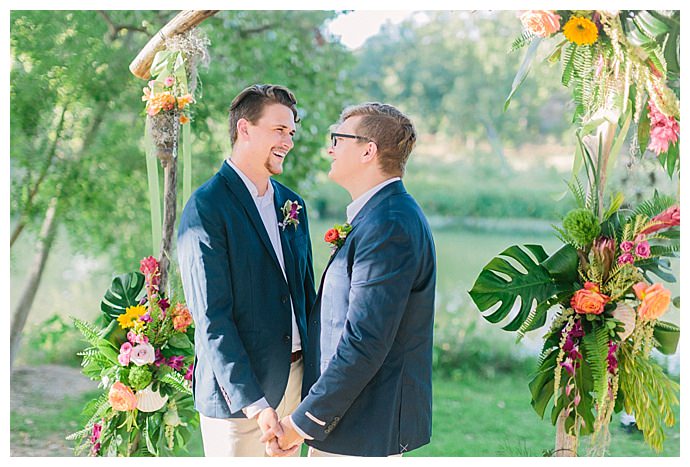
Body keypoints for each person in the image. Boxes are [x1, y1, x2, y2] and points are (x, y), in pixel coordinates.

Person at [263, 102, 436, 457]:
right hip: (346, 424)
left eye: (338, 139)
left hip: (365, 427)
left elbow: (365, 341)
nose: (330, 149)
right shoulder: (377, 216)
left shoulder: (389, 225)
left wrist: (300, 424)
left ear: (367, 151)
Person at [177, 84, 316, 457]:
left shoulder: (293, 205)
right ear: (244, 129)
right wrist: (254, 403)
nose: (288, 141)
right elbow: (211, 319)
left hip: (296, 389)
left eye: (291, 132)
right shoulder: (206, 208)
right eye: (278, 130)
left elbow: (306, 298)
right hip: (239, 399)